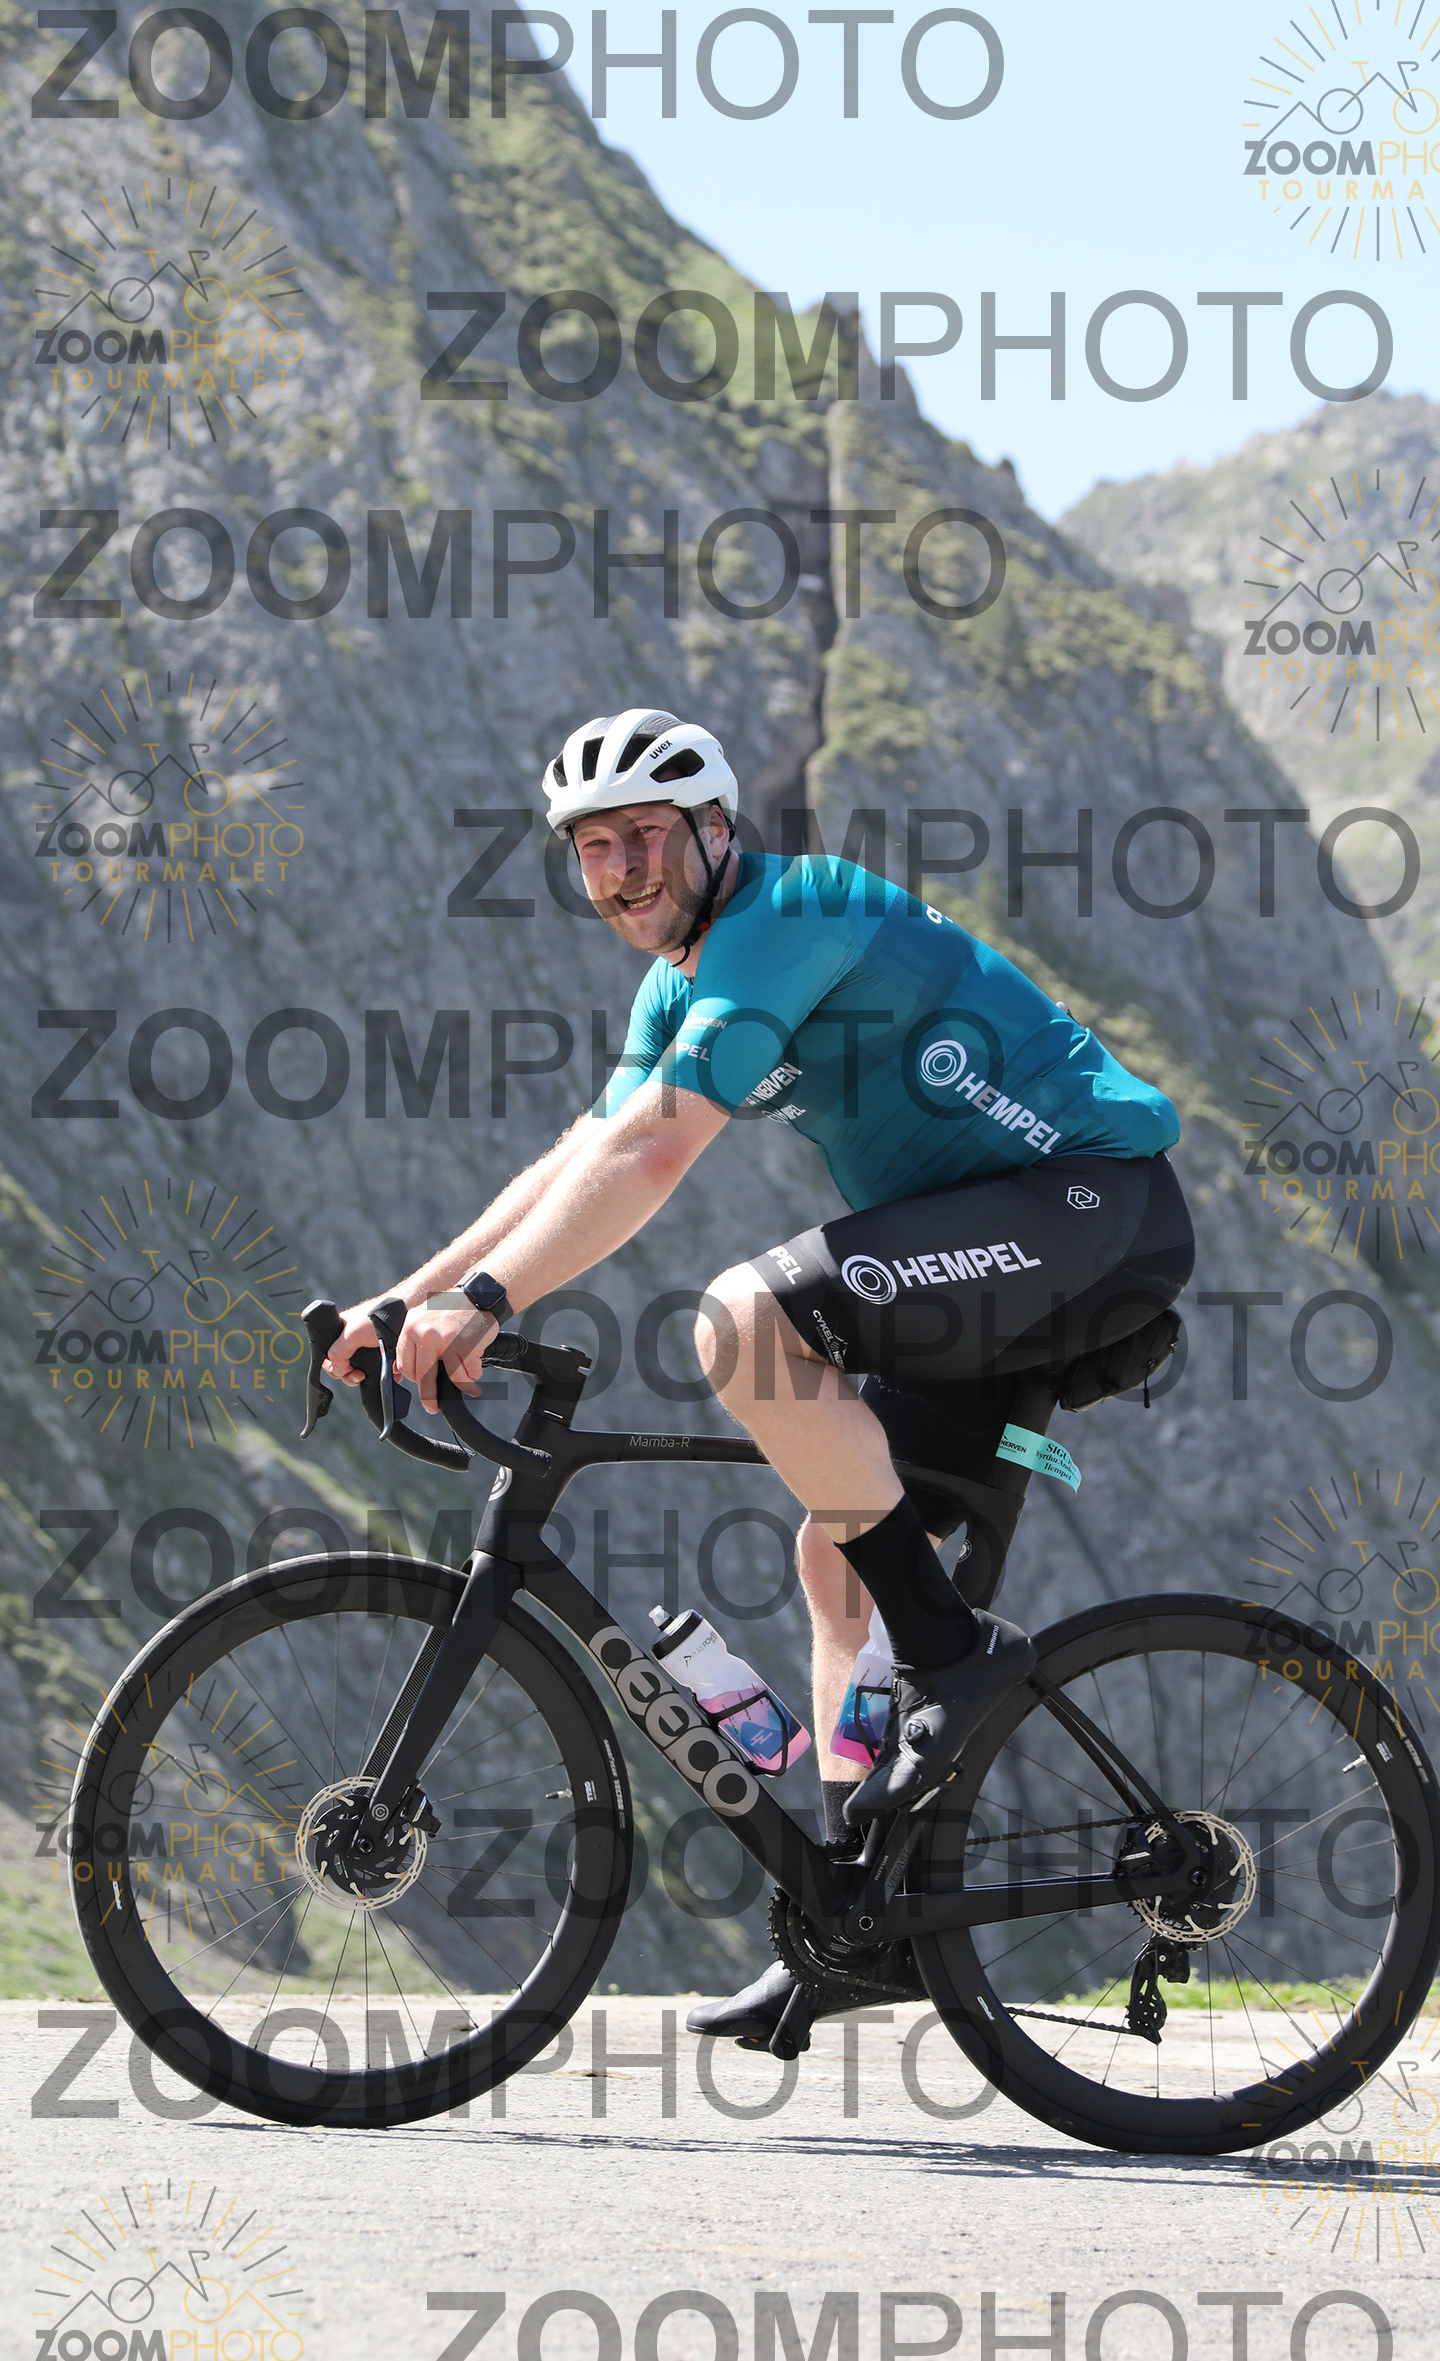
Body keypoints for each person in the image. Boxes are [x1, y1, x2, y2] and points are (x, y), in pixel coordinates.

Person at [326, 707, 1194, 2048]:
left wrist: (489, 1305)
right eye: (595, 847)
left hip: (1091, 1206)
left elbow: (653, 1156)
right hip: (991, 1249)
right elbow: (585, 1152)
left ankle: (955, 1656)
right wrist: (410, 1297)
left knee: (742, 1322)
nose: (623, 870)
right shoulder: (677, 981)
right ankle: (860, 1924)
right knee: (837, 1553)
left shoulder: (793, 915)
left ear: (717, 829)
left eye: (647, 836)